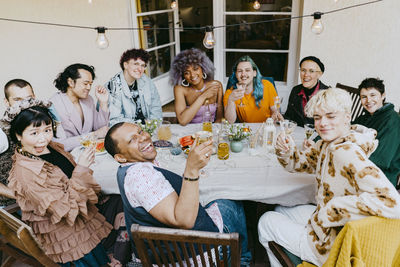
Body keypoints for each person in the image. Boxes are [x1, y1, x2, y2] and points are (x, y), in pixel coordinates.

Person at [258, 88, 400, 267]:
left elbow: (393, 203)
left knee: (265, 222)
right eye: (317, 117)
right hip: (328, 226)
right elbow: (300, 164)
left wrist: (334, 209)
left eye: (331, 116)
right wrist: (287, 151)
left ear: (347, 117)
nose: (322, 123)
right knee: (280, 210)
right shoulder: (328, 144)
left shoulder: (346, 153)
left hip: (329, 246)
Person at [104, 122, 252, 266]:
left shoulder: (127, 170)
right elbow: (184, 221)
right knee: (232, 203)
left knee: (218, 200)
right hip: (189, 255)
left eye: (140, 131)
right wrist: (191, 169)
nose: (143, 138)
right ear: (120, 158)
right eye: (132, 140)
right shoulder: (141, 177)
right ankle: (242, 260)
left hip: (161, 249)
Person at [4, 99, 112, 266]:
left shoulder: (52, 147)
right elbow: (66, 209)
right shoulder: (26, 172)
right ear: (18, 135)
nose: (43, 139)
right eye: (34, 133)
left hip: (82, 219)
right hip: (68, 234)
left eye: (47, 130)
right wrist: (82, 168)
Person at [353, 78, 400, 189]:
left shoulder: (392, 120)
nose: (368, 100)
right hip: (360, 166)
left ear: (383, 96)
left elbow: (381, 159)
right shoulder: (365, 118)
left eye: (373, 95)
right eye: (364, 97)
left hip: (381, 178)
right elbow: (344, 131)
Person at [51, 63, 109, 152]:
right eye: (85, 83)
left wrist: (103, 102)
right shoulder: (54, 104)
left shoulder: (88, 100)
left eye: (90, 84)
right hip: (69, 156)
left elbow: (101, 129)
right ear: (70, 82)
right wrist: (94, 135)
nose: (89, 87)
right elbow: (60, 145)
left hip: (92, 152)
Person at [105, 48, 162, 126]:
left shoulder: (146, 81)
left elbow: (156, 108)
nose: (140, 69)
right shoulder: (112, 87)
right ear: (125, 65)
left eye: (143, 65)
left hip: (148, 130)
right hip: (126, 133)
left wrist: (151, 127)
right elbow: (114, 120)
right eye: (136, 64)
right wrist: (139, 127)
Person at [170, 48, 223, 125]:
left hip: (210, 129)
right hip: (189, 131)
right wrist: (203, 96)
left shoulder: (216, 85)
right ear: (182, 76)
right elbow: (182, 121)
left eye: (195, 69)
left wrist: (213, 132)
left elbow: (219, 118)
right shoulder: (180, 89)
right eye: (187, 73)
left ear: (203, 69)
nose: (192, 75)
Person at [223, 55, 283, 123]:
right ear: (236, 74)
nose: (243, 74)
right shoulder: (230, 93)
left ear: (254, 73)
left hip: (266, 128)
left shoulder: (267, 85)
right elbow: (230, 121)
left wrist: (276, 115)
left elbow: (275, 111)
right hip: (246, 130)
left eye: (247, 70)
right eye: (240, 71)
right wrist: (231, 101)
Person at [284, 56, 329, 127]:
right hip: (297, 134)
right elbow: (289, 116)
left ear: (319, 74)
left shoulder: (327, 94)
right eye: (303, 70)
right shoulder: (295, 90)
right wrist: (282, 119)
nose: (306, 75)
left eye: (311, 71)